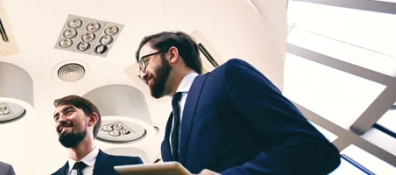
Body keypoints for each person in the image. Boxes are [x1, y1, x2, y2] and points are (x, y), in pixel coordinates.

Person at [134, 31, 340, 175]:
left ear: (172, 54)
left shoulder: (227, 76)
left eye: (144, 62)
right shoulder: (167, 135)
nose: (141, 74)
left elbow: (313, 149)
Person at [50, 95, 144, 175]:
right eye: (56, 118)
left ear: (92, 119)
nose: (60, 120)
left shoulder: (129, 166)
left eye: (69, 112)